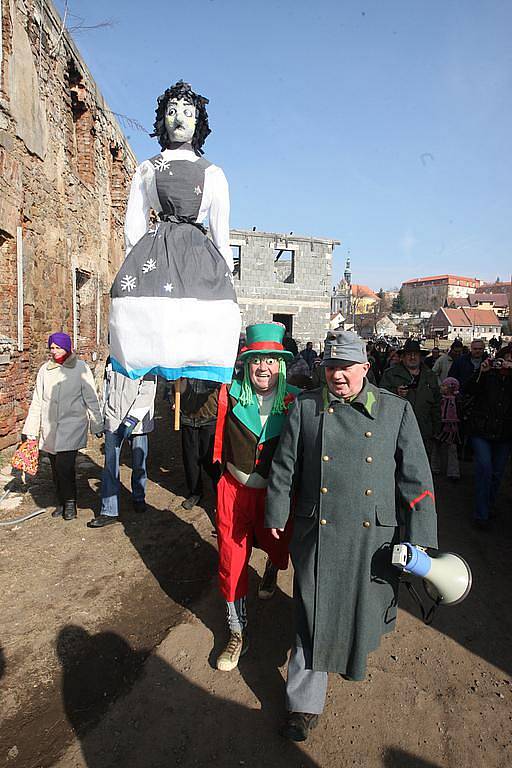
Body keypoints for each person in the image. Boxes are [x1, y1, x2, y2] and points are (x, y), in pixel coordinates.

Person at [265, 330, 437, 741]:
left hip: (371, 537)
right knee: (312, 613)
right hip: (318, 532)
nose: (337, 376)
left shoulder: (396, 411)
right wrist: (277, 509)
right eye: (331, 367)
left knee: (359, 610)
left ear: (364, 367)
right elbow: (284, 467)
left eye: (345, 367)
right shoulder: (306, 408)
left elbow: (417, 479)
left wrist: (421, 536)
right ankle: (303, 704)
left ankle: (351, 659)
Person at [108, 80, 240, 385]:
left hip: (197, 254)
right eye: (172, 111)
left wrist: (226, 269)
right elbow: (134, 223)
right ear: (162, 119)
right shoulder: (147, 168)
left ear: (198, 121)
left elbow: (221, 230)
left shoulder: (213, 174)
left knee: (200, 315)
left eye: (187, 112)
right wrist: (132, 261)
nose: (179, 118)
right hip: (157, 250)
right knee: (153, 315)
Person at [213, 323, 300, 672]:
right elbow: (218, 442)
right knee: (231, 562)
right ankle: (237, 631)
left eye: (271, 360)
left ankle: (271, 568)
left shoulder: (295, 401)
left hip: (275, 496)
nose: (263, 367)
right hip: (234, 492)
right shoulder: (228, 394)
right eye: (256, 360)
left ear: (281, 364)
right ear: (246, 363)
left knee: (279, 549)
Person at [23, 333, 103, 521]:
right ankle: (60, 501)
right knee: (54, 466)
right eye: (52, 347)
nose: (54, 351)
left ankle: (70, 503)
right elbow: (37, 400)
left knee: (64, 465)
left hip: (72, 425)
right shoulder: (45, 370)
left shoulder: (80, 368)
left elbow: (91, 398)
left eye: (58, 347)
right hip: (50, 427)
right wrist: (31, 431)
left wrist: (97, 424)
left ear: (67, 348)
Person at [88, 360, 157, 528]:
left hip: (137, 422)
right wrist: (100, 421)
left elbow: (148, 391)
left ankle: (138, 496)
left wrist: (132, 418)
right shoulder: (112, 360)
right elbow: (106, 390)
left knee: (138, 463)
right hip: (113, 419)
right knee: (110, 465)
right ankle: (109, 510)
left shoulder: (145, 359)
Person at [463, 345, 512, 529]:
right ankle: (481, 513)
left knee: (497, 473)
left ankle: (489, 504)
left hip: (505, 432)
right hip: (481, 430)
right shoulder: (489, 374)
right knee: (485, 468)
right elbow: (469, 389)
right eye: (506, 357)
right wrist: (481, 372)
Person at [380, 338, 441, 453]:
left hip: (424, 432)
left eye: (415, 354)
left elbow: (437, 403)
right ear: (402, 357)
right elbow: (380, 397)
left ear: (420, 357)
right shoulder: (391, 374)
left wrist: (436, 429)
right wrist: (395, 392)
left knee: (422, 467)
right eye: (409, 354)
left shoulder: (430, 376)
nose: (412, 357)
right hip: (397, 431)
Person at [170, 377, 221, 510]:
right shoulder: (183, 363)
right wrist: (172, 399)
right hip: (188, 418)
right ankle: (195, 492)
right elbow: (171, 383)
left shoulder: (215, 362)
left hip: (210, 418)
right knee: (190, 459)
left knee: (211, 460)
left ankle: (220, 492)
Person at [430, 377, 461, 481]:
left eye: (444, 386)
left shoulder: (456, 400)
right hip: (441, 425)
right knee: (436, 447)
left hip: (451, 427)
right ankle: (434, 467)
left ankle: (453, 471)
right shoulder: (440, 399)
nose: (441, 387)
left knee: (451, 449)